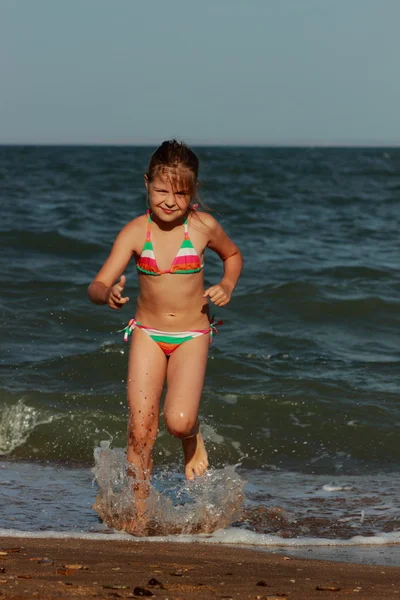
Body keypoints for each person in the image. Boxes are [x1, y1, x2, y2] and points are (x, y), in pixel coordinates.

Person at [88, 140, 243, 531]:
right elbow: (97, 283)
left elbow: (233, 255)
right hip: (147, 334)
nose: (170, 200)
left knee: (176, 420)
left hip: (192, 335)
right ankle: (139, 516)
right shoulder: (136, 232)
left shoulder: (203, 227)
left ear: (193, 192)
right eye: (161, 190)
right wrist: (107, 293)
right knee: (141, 428)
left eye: (181, 192)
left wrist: (227, 284)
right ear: (146, 184)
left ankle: (191, 437)